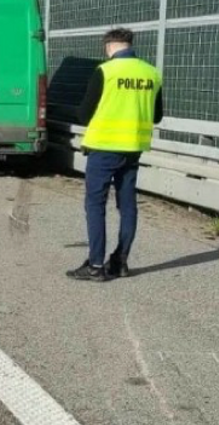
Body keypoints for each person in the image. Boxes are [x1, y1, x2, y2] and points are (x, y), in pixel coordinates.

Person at [67, 28, 164, 282]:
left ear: (109, 46)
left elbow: (84, 114)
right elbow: (157, 116)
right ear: (130, 45)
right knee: (128, 204)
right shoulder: (151, 73)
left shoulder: (106, 71)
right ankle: (120, 262)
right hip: (133, 148)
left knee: (95, 204)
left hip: (104, 147)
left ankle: (96, 265)